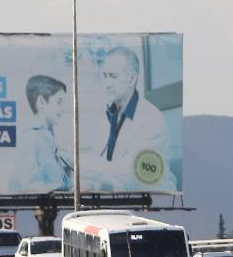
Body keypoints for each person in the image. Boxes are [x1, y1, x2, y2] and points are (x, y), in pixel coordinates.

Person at [82, 46, 175, 192]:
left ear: (132, 78)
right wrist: (91, 184)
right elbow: (102, 161)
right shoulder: (109, 114)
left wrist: (77, 162)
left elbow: (130, 175)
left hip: (152, 198)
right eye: (104, 76)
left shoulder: (151, 120)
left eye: (113, 76)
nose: (106, 84)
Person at [10, 75, 72, 192]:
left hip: (55, 206)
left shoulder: (49, 136)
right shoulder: (30, 138)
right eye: (59, 102)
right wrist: (62, 190)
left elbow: (60, 180)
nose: (64, 108)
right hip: (39, 207)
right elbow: (30, 185)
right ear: (42, 102)